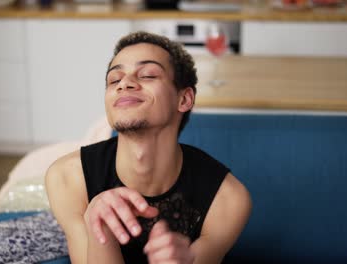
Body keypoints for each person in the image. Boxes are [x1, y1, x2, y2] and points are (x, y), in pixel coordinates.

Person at [45, 31, 252, 264]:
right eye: (114, 80)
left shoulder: (227, 198)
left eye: (147, 75)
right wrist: (99, 225)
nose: (125, 83)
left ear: (183, 99)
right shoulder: (68, 178)